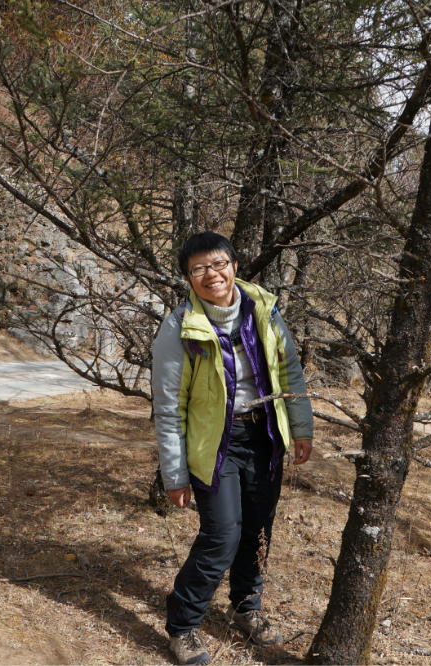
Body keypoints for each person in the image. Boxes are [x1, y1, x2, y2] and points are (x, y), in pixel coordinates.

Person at [152, 232, 314, 665]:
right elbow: (169, 408)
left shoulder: (263, 310)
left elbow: (289, 369)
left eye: (219, 263)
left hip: (264, 437)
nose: (211, 274)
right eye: (199, 268)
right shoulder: (179, 327)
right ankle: (183, 627)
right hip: (215, 446)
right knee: (222, 535)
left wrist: (301, 427)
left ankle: (245, 607)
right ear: (189, 277)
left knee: (258, 529)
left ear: (235, 266)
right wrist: (175, 475)